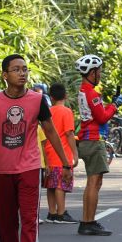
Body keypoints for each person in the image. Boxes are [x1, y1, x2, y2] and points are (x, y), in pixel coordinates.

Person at [0, 54, 72, 242]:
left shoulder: (37, 99)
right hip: (4, 168)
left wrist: (65, 163)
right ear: (5, 75)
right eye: (16, 69)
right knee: (6, 221)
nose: (22, 73)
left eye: (25, 69)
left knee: (29, 218)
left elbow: (51, 131)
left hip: (30, 167)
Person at [74, 54, 122, 236]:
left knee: (91, 183)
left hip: (86, 140)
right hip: (94, 140)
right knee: (95, 183)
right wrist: (114, 105)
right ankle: (89, 222)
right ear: (92, 72)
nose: (100, 74)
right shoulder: (92, 93)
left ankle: (86, 221)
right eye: (99, 71)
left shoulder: (82, 90)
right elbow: (102, 117)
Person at [43, 83, 79, 224]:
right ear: (65, 96)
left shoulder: (48, 111)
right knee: (60, 184)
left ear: (51, 97)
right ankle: (61, 213)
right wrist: (75, 153)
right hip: (62, 153)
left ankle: (52, 213)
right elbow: (69, 133)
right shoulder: (66, 112)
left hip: (48, 152)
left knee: (51, 184)